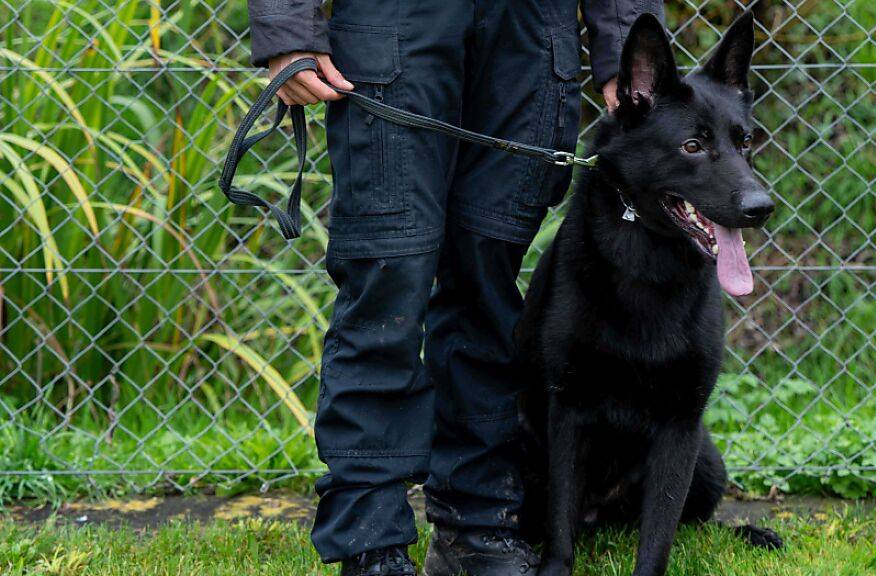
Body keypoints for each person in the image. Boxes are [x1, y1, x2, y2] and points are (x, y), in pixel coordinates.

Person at [245, 1, 665, 575]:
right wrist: (287, 28)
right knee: (387, 280)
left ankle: (478, 525)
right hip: (393, 25)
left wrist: (622, 47)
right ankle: (371, 539)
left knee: (488, 282)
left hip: (530, 37)